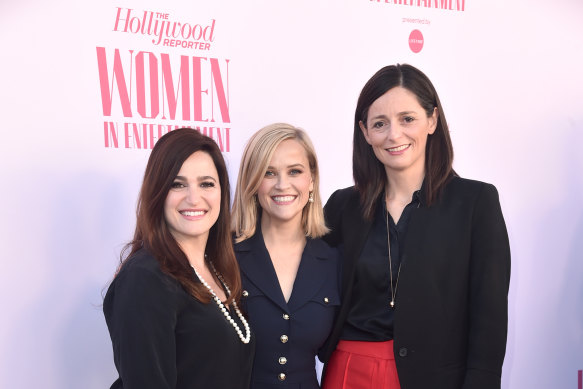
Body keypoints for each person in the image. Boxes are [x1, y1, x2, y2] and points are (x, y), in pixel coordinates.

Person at [319, 64, 511, 389]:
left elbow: (489, 320)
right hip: (349, 372)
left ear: (432, 120)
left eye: (407, 119)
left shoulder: (476, 202)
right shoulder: (342, 206)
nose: (394, 135)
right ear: (365, 132)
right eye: (380, 123)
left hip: (436, 378)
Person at [103, 128, 254, 389]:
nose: (194, 198)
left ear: (222, 192)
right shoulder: (146, 278)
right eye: (177, 184)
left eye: (206, 183)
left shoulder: (217, 269)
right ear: (158, 193)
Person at [232, 123, 340, 389]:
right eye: (269, 173)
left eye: (295, 171)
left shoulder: (335, 260)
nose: (282, 185)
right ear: (252, 181)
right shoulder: (224, 254)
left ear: (311, 179)